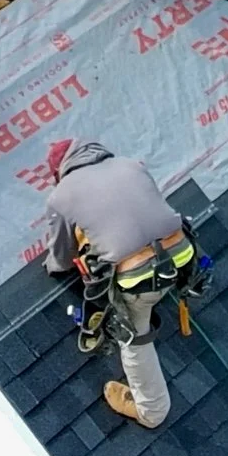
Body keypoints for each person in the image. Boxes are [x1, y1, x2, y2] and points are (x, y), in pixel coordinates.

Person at [39, 140, 205, 428]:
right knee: (151, 275)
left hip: (139, 279)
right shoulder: (130, 164)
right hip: (183, 256)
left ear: (59, 171)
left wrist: (57, 265)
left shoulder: (60, 195)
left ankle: (152, 411)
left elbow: (61, 258)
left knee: (132, 333)